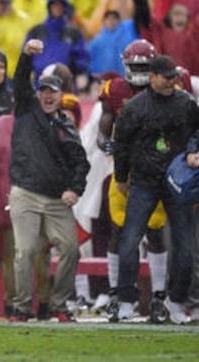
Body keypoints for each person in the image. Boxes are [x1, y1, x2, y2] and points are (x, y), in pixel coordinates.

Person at [7, 39, 90, 323]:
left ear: (60, 95)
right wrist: (26, 55)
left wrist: (75, 190)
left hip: (56, 198)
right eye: (42, 90)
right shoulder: (26, 111)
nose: (47, 95)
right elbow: (20, 80)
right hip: (25, 194)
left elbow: (81, 162)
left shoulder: (67, 126)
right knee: (26, 250)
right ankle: (21, 306)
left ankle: (59, 304)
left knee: (70, 249)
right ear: (37, 94)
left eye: (52, 91)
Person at [113, 55, 199, 325]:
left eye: (174, 76)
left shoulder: (186, 104)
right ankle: (126, 301)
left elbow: (198, 131)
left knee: (186, 249)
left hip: (177, 184)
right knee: (129, 242)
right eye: (166, 77)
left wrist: (193, 150)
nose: (172, 81)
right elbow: (122, 144)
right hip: (144, 181)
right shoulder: (135, 108)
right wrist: (121, 177)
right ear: (152, 77)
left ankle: (175, 301)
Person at [96, 39, 170, 323]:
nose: (138, 71)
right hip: (123, 171)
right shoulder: (115, 90)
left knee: (154, 232)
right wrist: (107, 144)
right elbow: (103, 129)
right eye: (134, 66)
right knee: (119, 230)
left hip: (153, 171)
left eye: (144, 66)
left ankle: (158, 296)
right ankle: (116, 293)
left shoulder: (165, 92)